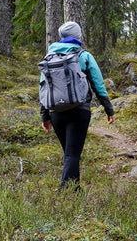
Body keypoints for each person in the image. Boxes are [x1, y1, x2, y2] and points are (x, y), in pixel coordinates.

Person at [40, 21, 115, 189]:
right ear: (78, 36)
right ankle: (65, 193)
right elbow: (98, 84)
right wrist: (108, 109)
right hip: (79, 111)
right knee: (72, 155)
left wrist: (45, 116)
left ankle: (75, 189)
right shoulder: (84, 55)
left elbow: (43, 87)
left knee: (70, 154)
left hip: (56, 112)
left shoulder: (49, 56)